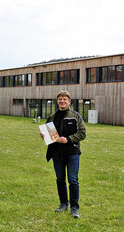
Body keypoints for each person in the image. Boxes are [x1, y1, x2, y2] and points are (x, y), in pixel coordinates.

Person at [41, 90, 86, 219]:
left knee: (73, 180)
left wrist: (68, 139)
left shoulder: (75, 116)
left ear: (69, 101)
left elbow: (83, 133)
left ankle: (74, 208)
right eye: (60, 99)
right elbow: (49, 136)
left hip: (72, 153)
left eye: (65, 99)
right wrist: (44, 136)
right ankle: (63, 204)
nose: (62, 101)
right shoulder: (52, 117)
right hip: (57, 153)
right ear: (57, 101)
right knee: (60, 180)